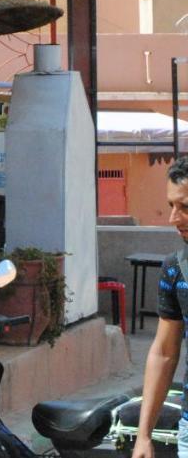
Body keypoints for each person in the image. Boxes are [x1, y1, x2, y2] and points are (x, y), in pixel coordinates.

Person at [133, 155, 188, 458]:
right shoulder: (175, 269)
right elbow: (165, 352)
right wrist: (144, 435)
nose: (174, 219)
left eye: (185, 207)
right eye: (171, 206)